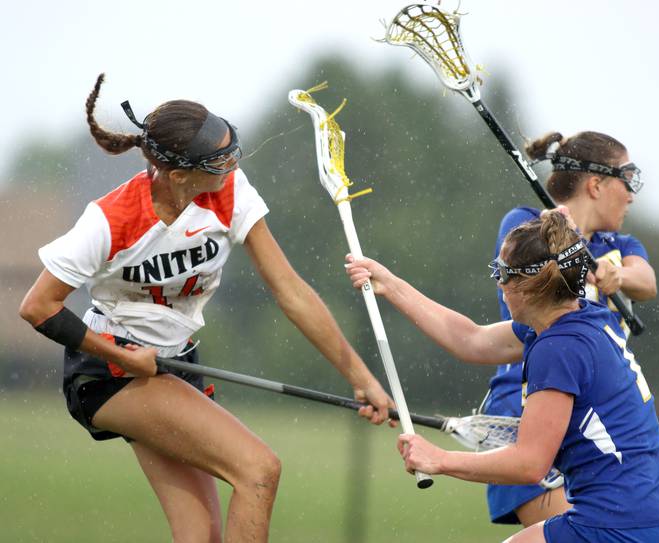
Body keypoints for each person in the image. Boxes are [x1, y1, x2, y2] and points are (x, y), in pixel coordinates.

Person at [18, 73, 394, 543]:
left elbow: (291, 292)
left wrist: (361, 378)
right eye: (218, 162)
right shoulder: (109, 220)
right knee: (258, 470)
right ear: (177, 175)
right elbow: (37, 306)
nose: (231, 166)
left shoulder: (229, 192)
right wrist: (120, 355)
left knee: (200, 534)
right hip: (111, 370)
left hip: (173, 364)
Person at [345, 211, 659, 543]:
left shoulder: (556, 349)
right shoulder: (582, 316)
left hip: (622, 526)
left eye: (502, 272)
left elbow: (530, 463)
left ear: (529, 287)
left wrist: (438, 459)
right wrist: (390, 285)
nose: (499, 283)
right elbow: (472, 340)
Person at [482, 130, 658, 526]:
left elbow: (646, 282)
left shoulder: (620, 245)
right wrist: (570, 246)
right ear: (596, 184)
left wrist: (617, 275)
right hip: (531, 403)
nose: (631, 194)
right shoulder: (528, 228)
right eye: (625, 180)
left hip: (592, 418)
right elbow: (531, 307)